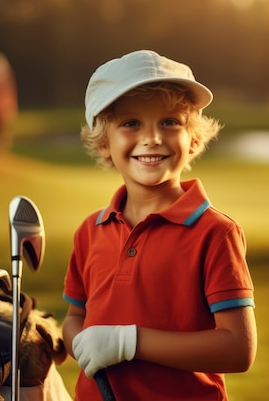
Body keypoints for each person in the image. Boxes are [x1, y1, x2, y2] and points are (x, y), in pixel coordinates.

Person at [61, 50, 257, 400]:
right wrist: (85, 343)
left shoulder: (215, 233)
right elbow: (75, 318)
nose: (152, 137)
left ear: (193, 139)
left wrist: (128, 342)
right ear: (105, 143)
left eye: (169, 122)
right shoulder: (90, 230)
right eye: (130, 123)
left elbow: (238, 348)